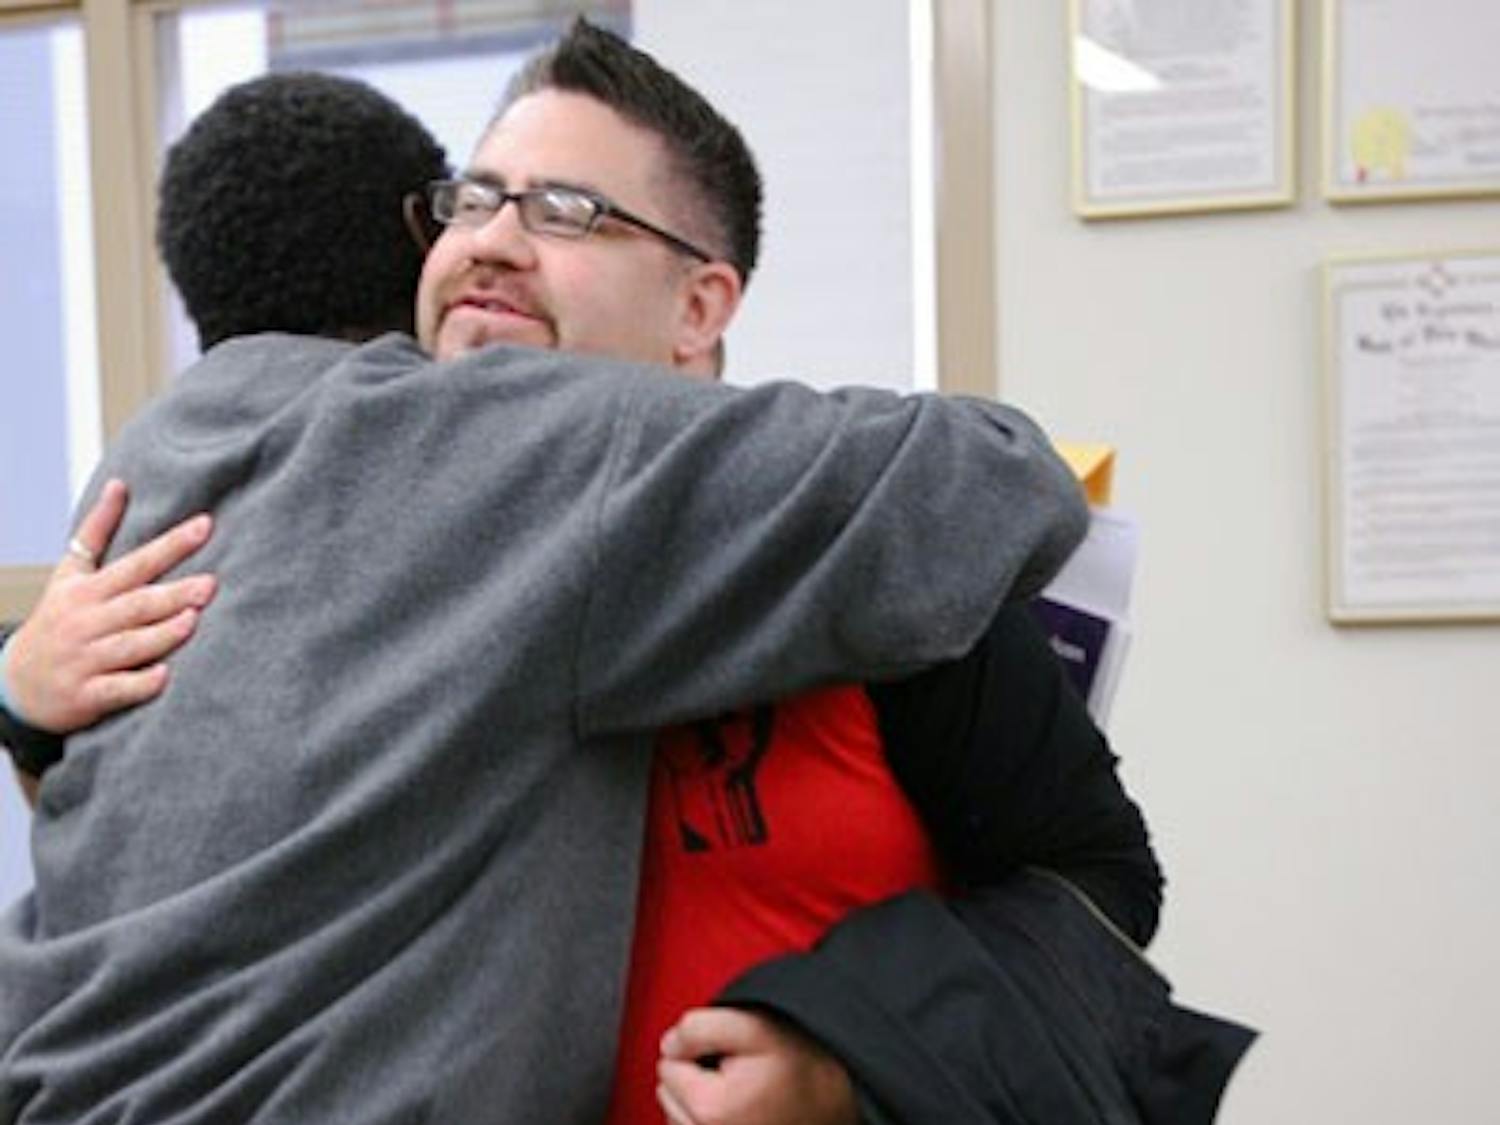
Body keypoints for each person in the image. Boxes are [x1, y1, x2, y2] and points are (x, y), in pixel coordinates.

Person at [0, 64, 1095, 1125]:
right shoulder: (398, 479)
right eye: (471, 202)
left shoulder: (169, 456)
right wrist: (23, 698)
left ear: (700, 303)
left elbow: (1090, 888)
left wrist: (847, 1058)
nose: (488, 241)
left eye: (565, 210)